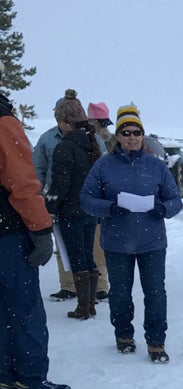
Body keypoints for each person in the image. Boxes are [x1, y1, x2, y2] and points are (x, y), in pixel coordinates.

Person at [80, 104, 182, 363]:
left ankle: (157, 341)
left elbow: (175, 200)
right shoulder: (104, 166)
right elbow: (86, 199)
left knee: (155, 292)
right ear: (117, 136)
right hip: (117, 242)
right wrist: (110, 208)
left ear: (143, 135)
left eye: (137, 132)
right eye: (126, 132)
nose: (132, 137)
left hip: (152, 241)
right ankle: (124, 335)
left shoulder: (157, 167)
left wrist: (163, 208)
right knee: (120, 293)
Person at [0, 78, 71, 389]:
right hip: (9, 233)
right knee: (22, 306)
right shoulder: (3, 120)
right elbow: (23, 182)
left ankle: (2, 378)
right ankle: (29, 380)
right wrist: (41, 229)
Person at [45, 89, 103, 320]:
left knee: (77, 257)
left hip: (71, 211)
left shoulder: (65, 147)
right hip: (90, 210)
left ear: (65, 122)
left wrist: (50, 207)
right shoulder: (91, 143)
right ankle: (90, 305)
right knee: (88, 255)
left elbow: (60, 183)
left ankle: (82, 307)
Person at [33, 97, 76, 302]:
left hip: (83, 199)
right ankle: (68, 285)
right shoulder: (47, 138)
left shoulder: (88, 138)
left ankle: (99, 286)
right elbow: (38, 169)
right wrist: (40, 195)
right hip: (55, 198)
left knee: (92, 243)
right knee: (62, 242)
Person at [86, 101, 115, 301]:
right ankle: (101, 283)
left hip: (100, 199)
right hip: (105, 199)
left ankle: (101, 284)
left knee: (98, 243)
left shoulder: (99, 140)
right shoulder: (112, 139)